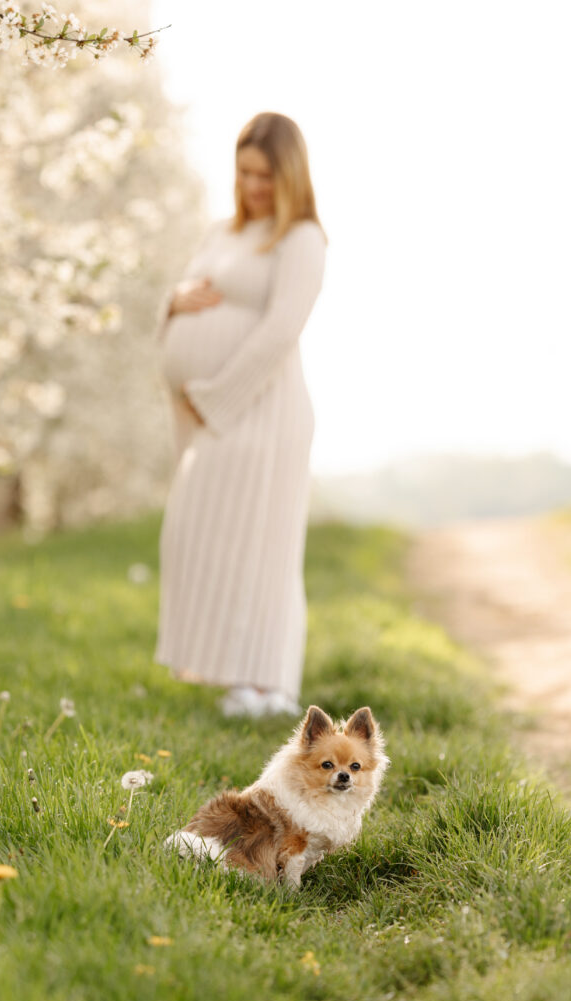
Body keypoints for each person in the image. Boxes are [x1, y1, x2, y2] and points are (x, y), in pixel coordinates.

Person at [154, 111, 328, 718]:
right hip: (211, 412)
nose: (254, 185)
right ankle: (226, 665)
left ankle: (266, 683)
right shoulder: (220, 231)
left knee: (263, 540)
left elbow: (283, 328)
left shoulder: (302, 238)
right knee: (198, 535)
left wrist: (217, 396)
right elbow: (184, 291)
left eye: (265, 174)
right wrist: (171, 304)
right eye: (245, 171)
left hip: (263, 410)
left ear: (290, 175)